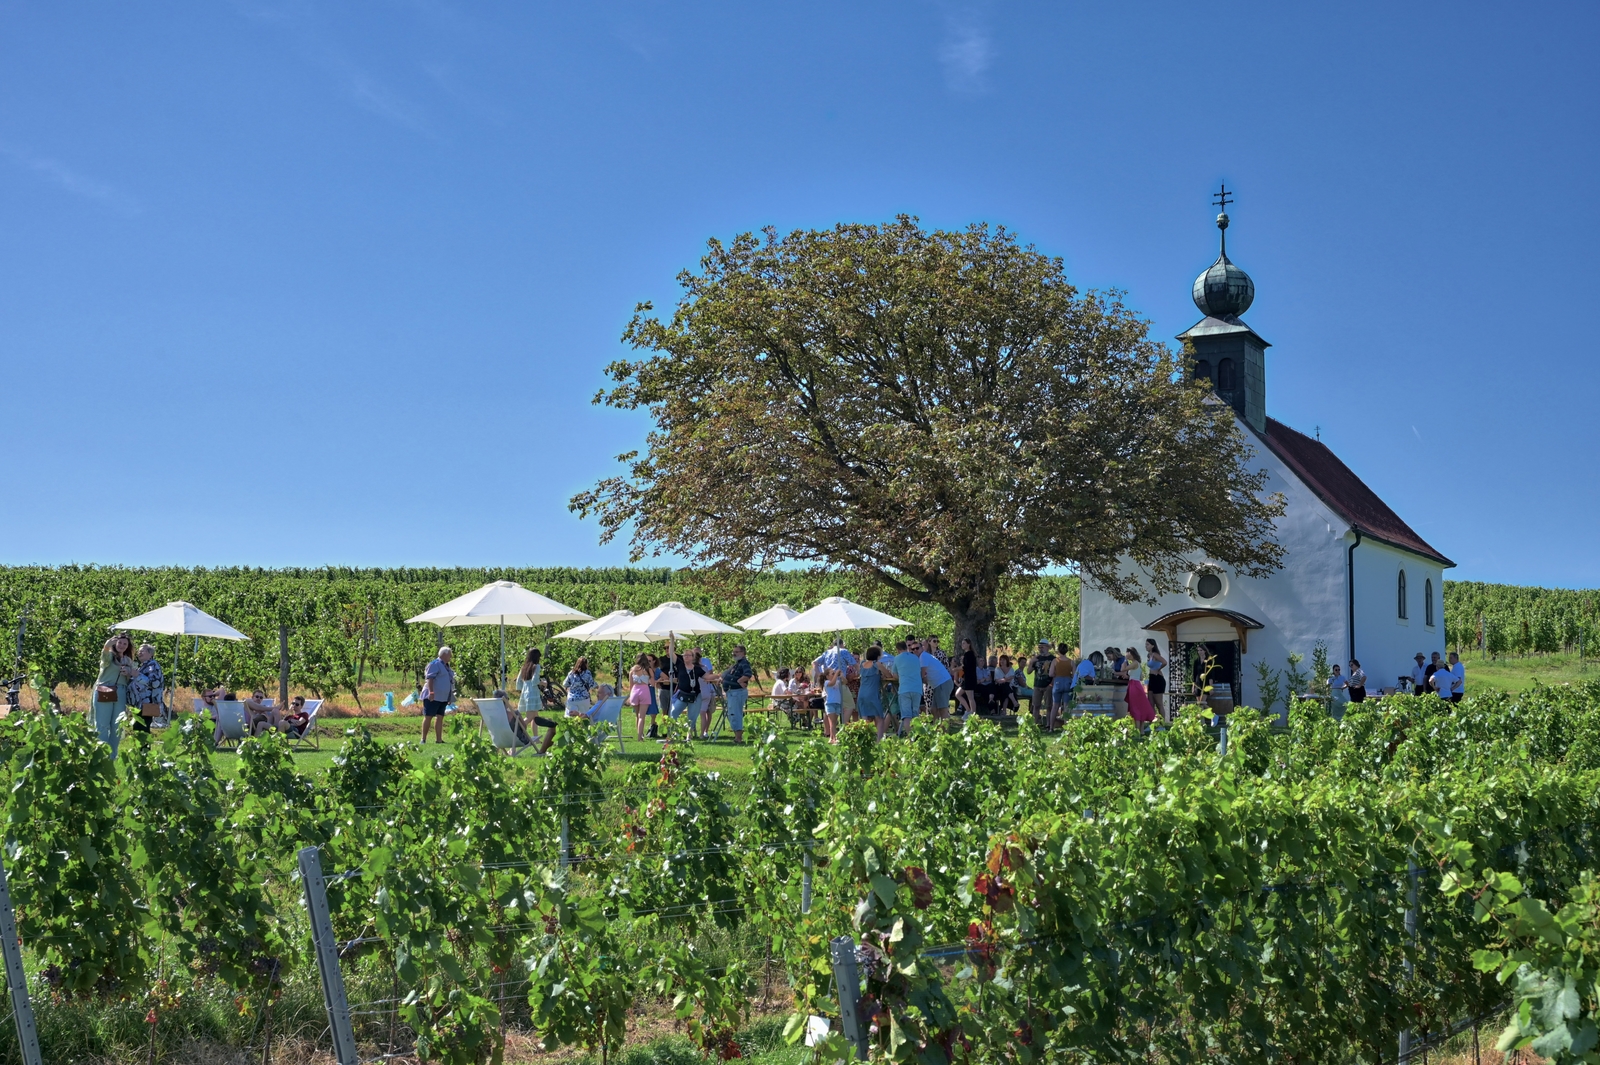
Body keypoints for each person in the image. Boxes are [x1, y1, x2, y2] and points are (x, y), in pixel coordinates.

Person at [93, 633, 137, 755]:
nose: (122, 645)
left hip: (121, 692)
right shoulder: (109, 656)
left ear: (128, 646)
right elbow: (105, 659)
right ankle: (102, 754)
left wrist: (128, 673)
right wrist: (106, 646)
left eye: (125, 644)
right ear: (115, 643)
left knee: (117, 726)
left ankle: (112, 756)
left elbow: (132, 677)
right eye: (119, 642)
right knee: (102, 724)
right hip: (105, 690)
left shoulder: (128, 660)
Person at [666, 633, 706, 736]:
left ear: (693, 657)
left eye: (688, 655)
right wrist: (672, 639)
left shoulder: (697, 668)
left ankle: (689, 736)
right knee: (674, 712)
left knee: (692, 717)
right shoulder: (680, 665)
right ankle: (676, 734)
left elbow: (707, 677)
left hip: (695, 696)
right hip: (682, 694)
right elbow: (671, 653)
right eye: (684, 655)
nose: (686, 657)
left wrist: (719, 676)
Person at [891, 639, 927, 735]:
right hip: (917, 688)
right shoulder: (915, 657)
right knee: (915, 714)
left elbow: (894, 675)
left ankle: (910, 737)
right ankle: (916, 736)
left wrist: (902, 677)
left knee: (906, 716)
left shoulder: (897, 658)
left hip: (905, 689)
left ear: (898, 649)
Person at [421, 646, 455, 744]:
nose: (451, 657)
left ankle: (439, 739)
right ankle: (423, 739)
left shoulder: (446, 666)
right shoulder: (434, 664)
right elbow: (430, 679)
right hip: (433, 696)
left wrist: (449, 696)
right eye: (450, 655)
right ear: (444, 655)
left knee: (440, 717)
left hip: (443, 697)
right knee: (429, 716)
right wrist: (431, 692)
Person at [128, 643, 165, 732]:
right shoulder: (144, 665)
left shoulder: (152, 665)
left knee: (142, 729)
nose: (139, 653)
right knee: (139, 728)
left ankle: (144, 742)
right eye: (139, 651)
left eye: (142, 651)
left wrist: (137, 675)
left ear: (150, 654)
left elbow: (154, 683)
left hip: (148, 704)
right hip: (141, 704)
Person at [721, 644, 755, 744]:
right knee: (732, 714)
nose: (734, 654)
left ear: (743, 653)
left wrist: (740, 681)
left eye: (736, 652)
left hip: (737, 693)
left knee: (735, 714)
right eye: (733, 652)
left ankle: (738, 738)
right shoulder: (737, 664)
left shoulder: (744, 663)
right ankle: (737, 736)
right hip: (732, 693)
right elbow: (726, 674)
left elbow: (748, 674)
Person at [919, 639, 955, 720]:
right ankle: (937, 727)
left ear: (922, 648)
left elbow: (922, 674)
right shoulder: (922, 657)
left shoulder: (923, 656)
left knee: (943, 710)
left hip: (943, 683)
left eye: (917, 648)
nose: (915, 650)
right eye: (913, 649)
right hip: (938, 685)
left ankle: (946, 727)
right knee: (934, 710)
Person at [857, 646, 886, 739]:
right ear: (877, 655)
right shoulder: (877, 664)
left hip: (861, 693)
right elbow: (888, 674)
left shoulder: (862, 664)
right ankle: (878, 740)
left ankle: (865, 740)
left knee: (865, 719)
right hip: (872, 694)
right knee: (879, 718)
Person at [1027, 641, 1056, 724]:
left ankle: (1048, 724)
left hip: (1048, 685)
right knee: (1036, 706)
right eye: (1039, 647)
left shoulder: (1053, 659)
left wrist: (1051, 684)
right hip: (1037, 685)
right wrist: (1031, 662)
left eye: (1042, 647)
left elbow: (1056, 673)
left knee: (1049, 706)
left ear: (1047, 647)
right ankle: (1034, 724)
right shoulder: (1037, 658)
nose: (1040, 649)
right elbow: (1029, 671)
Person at [628, 653, 655, 741]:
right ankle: (640, 737)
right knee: (642, 716)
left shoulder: (632, 670)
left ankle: (639, 734)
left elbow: (631, 685)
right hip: (644, 691)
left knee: (637, 715)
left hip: (634, 691)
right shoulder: (648, 670)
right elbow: (653, 684)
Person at [1049, 645, 1075, 729]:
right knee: (1067, 707)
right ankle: (1066, 727)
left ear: (1058, 651)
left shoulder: (1055, 661)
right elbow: (1074, 675)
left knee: (1055, 706)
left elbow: (1050, 674)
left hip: (1057, 683)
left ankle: (1051, 727)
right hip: (1068, 683)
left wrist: (1056, 674)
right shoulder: (1071, 662)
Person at [956, 637, 980, 718]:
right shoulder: (967, 654)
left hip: (970, 679)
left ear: (968, 644)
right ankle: (968, 710)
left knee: (970, 698)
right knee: (958, 694)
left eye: (964, 643)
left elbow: (965, 667)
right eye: (962, 643)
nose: (962, 645)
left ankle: (973, 714)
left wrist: (955, 669)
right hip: (966, 679)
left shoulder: (969, 654)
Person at [1144, 639, 1168, 722]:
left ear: (1152, 646)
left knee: (1159, 703)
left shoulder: (1155, 655)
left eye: (1148, 644)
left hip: (1158, 678)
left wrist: (1158, 669)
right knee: (1150, 702)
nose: (1146, 646)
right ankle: (1153, 722)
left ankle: (1162, 723)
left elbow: (1164, 662)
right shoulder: (1149, 655)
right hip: (1151, 678)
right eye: (1146, 644)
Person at [822, 669, 843, 741]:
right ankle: (834, 738)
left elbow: (845, 682)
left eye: (834, 673)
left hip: (837, 703)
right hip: (830, 703)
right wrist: (836, 674)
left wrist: (842, 676)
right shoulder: (827, 682)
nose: (834, 674)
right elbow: (832, 683)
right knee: (832, 722)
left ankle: (831, 738)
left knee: (834, 722)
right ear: (827, 676)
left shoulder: (837, 682)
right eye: (832, 673)